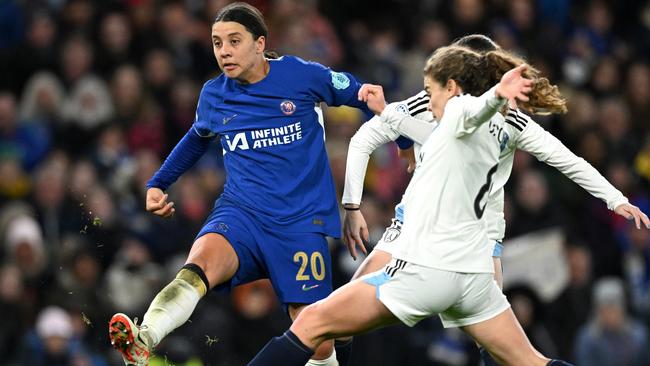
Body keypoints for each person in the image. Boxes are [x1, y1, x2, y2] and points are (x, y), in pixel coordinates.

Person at [107, 3, 412, 366]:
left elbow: (366, 95)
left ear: (259, 43)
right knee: (198, 265)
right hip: (242, 215)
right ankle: (146, 337)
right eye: (218, 43)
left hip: (299, 224)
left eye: (234, 41)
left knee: (318, 340)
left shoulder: (301, 77)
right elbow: (197, 137)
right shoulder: (215, 94)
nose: (224, 51)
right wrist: (158, 182)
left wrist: (405, 144)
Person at [247, 45, 574, 366]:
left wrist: (353, 204)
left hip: (426, 258)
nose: (428, 97)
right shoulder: (500, 129)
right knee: (522, 359)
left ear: (454, 85)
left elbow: (383, 136)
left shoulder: (461, 122)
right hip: (463, 260)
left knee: (316, 320)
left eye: (433, 88)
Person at [340, 34, 650, 364]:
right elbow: (375, 135)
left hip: (476, 238)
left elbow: (564, 159)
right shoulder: (433, 103)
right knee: (341, 321)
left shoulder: (506, 119)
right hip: (419, 228)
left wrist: (614, 198)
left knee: (501, 353)